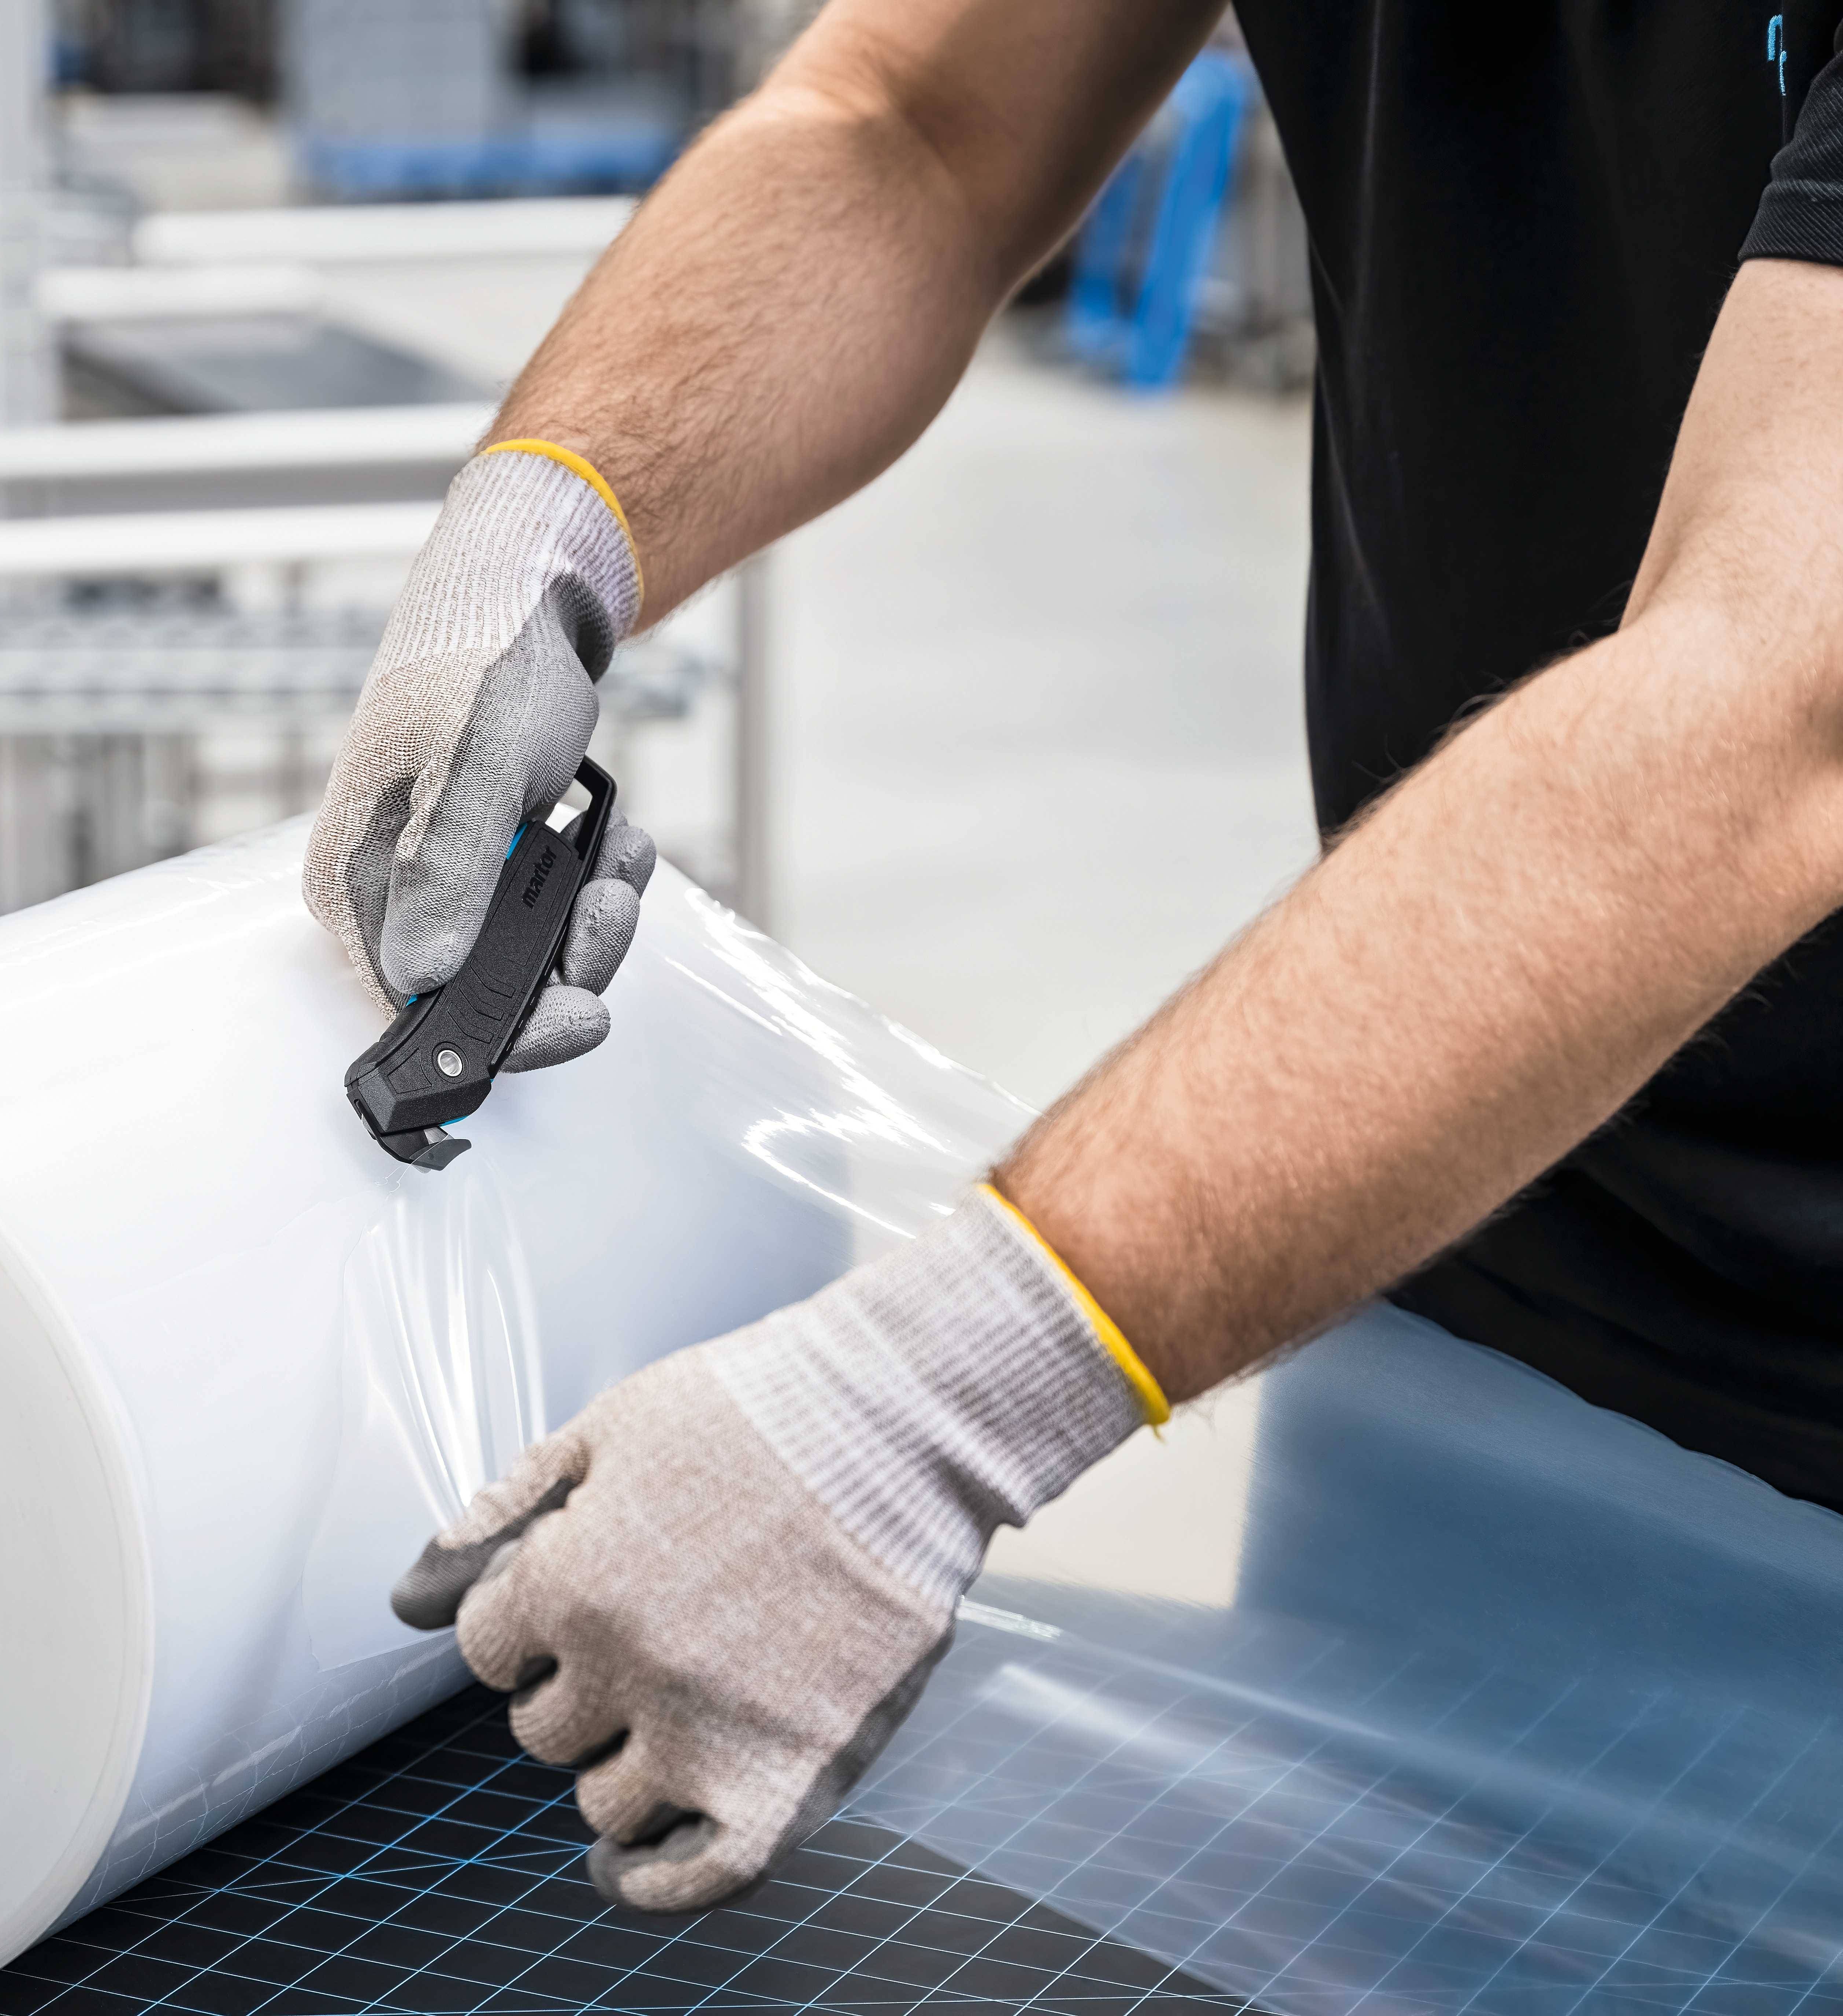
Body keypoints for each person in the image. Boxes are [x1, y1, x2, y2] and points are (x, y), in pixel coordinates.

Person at [305, 0, 1843, 1917]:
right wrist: (541, 532)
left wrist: (933, 1403)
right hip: (1449, 1215)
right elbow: (914, 117)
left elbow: (1780, 697)